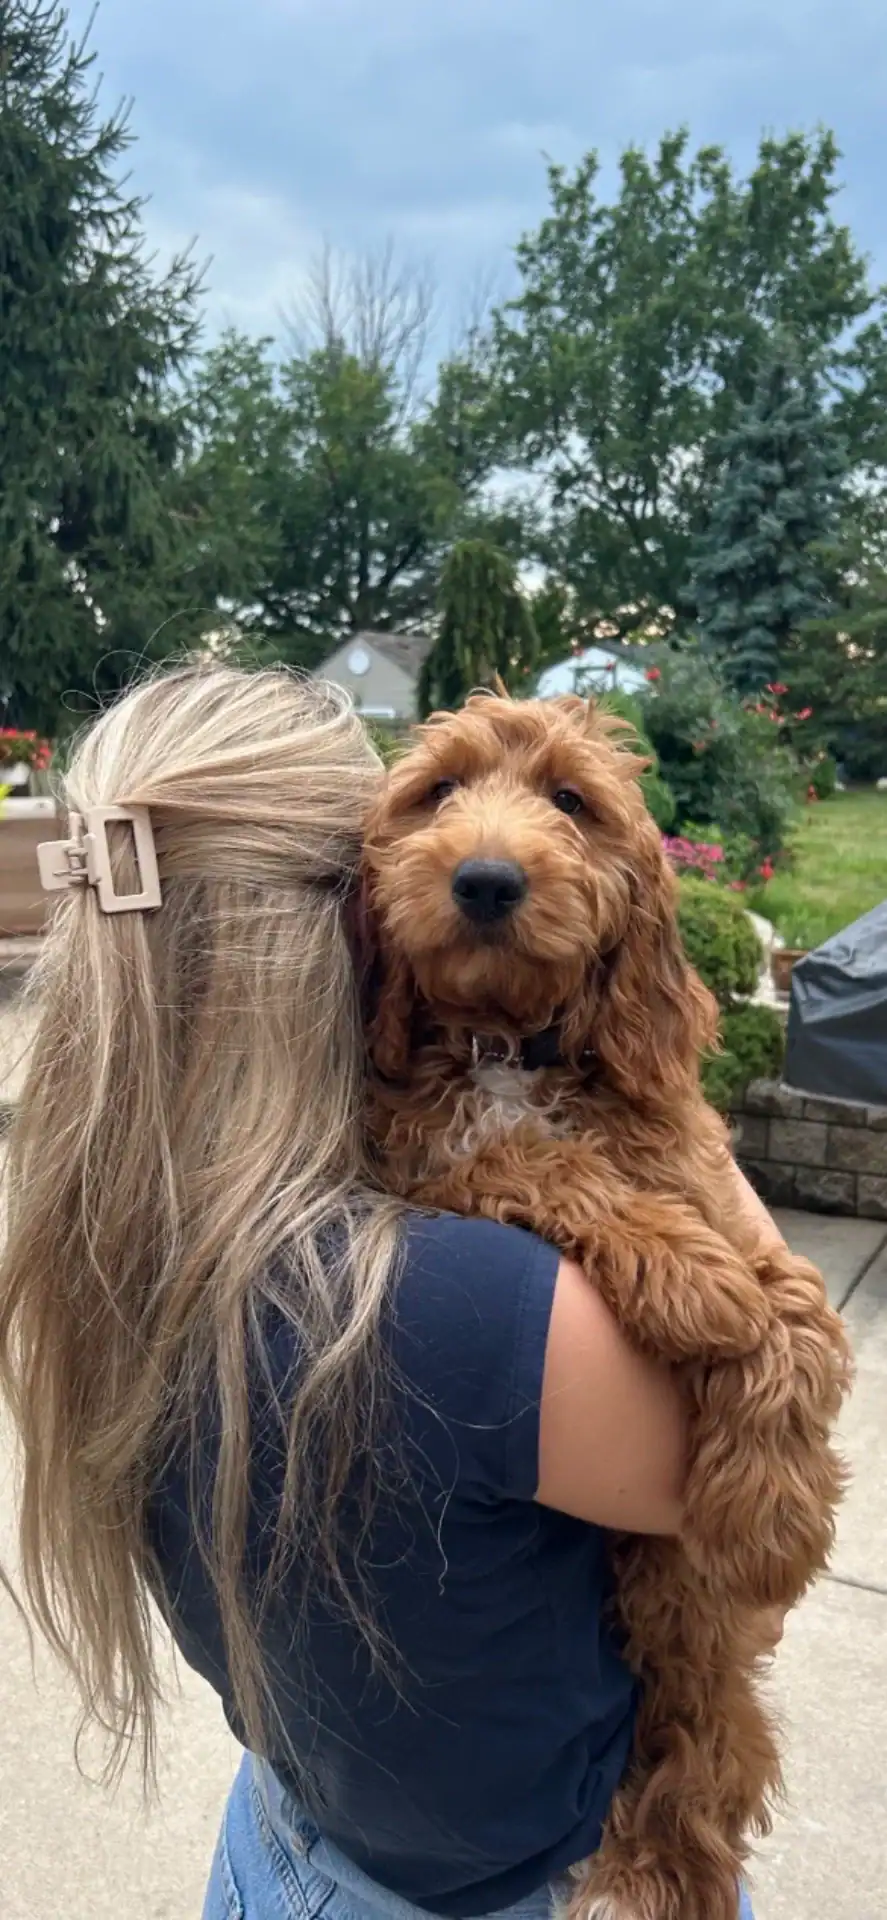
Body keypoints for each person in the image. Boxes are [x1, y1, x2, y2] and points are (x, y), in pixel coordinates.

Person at [0, 663, 770, 1920]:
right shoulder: (472, 1312)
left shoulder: (117, 1237)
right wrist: (668, 1119)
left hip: (282, 1843)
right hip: (531, 1885)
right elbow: (746, 1528)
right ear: (354, 920)